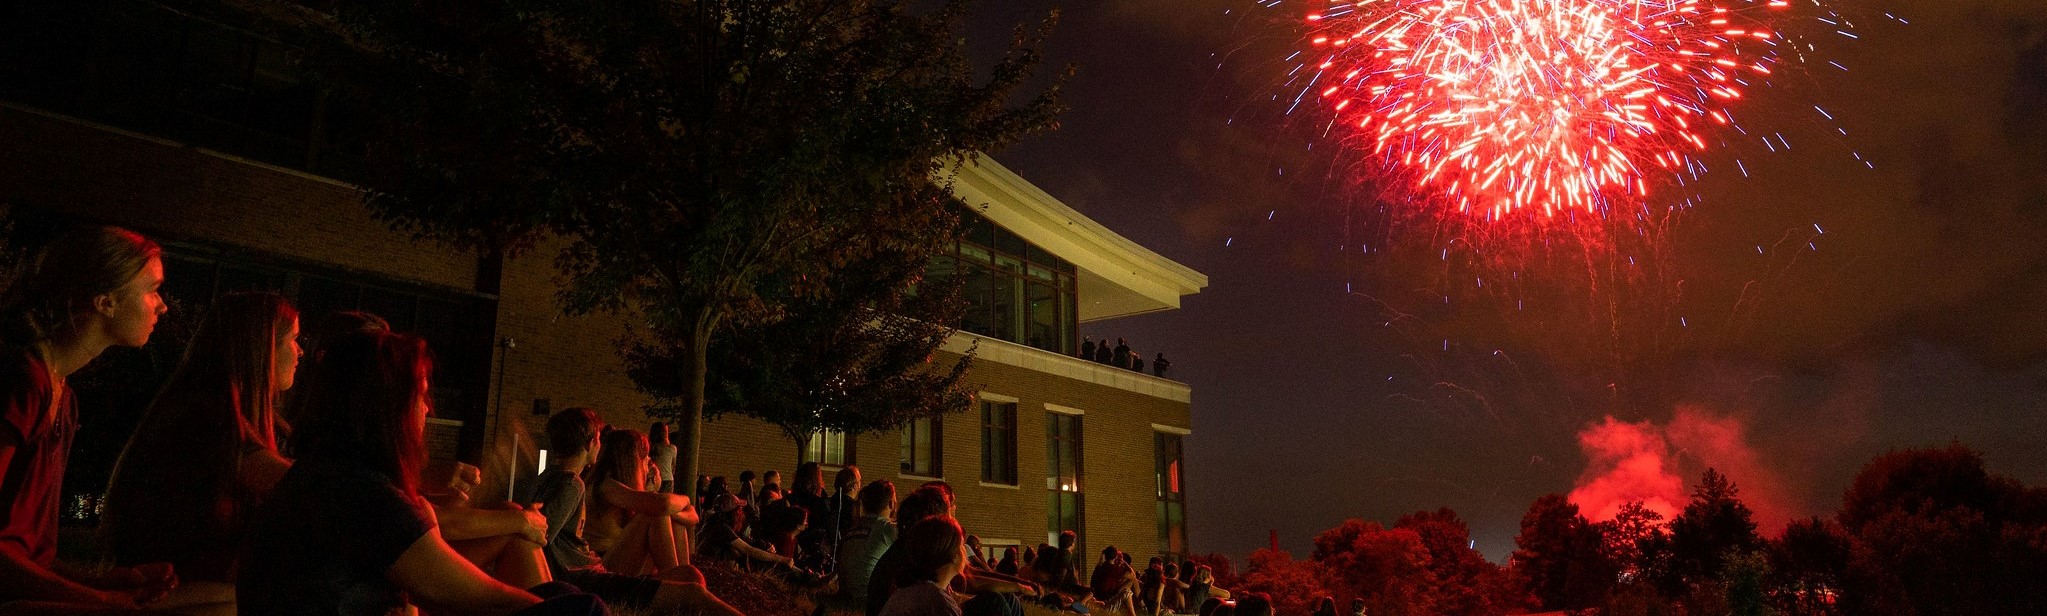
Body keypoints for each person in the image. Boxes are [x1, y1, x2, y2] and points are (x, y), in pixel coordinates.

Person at [239, 330, 604, 615]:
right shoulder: (361, 494)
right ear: (388, 408)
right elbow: (467, 596)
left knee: (564, 597)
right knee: (579, 607)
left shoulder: (326, 476)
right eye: (422, 395)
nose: (428, 410)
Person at [0, 227, 180, 611]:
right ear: (105, 301)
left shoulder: (64, 400)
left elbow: (28, 555)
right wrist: (100, 600)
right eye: (152, 288)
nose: (163, 306)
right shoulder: (22, 383)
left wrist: (99, 582)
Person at [101, 292, 301, 614]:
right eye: (293, 339)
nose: (300, 351)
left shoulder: (206, 408)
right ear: (261, 347)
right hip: (165, 595)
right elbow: (310, 488)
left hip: (192, 592)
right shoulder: (210, 419)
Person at [527, 407, 740, 614]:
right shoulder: (574, 484)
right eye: (644, 458)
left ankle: (674, 584)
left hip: (591, 573)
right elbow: (540, 537)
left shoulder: (546, 479)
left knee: (691, 576)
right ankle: (674, 586)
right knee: (691, 590)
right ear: (592, 443)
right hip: (588, 579)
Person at [581, 428, 697, 576]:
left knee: (668, 518)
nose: (648, 461)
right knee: (655, 515)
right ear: (632, 459)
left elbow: (693, 517)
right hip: (602, 566)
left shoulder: (623, 490)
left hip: (620, 557)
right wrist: (685, 500)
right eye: (645, 456)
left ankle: (679, 577)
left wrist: (671, 511)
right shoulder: (606, 485)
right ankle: (675, 580)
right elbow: (663, 505)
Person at [876, 515, 970, 616]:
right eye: (961, 545)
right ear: (954, 555)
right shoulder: (938, 604)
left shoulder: (908, 592)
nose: (965, 551)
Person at [828, 479, 897, 613]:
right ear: (891, 503)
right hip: (870, 602)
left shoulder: (855, 527)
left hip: (847, 600)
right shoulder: (887, 529)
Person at [698, 493, 798, 570]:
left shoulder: (715, 523)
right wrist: (781, 559)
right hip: (712, 568)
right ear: (734, 512)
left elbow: (746, 541)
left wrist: (764, 546)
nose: (742, 513)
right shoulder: (721, 528)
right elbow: (749, 550)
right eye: (740, 509)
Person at [1091, 547, 1137, 616]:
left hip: (1098, 598)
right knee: (1127, 592)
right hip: (1106, 603)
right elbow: (1132, 575)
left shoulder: (1099, 568)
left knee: (1125, 588)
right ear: (1115, 557)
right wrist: (1123, 561)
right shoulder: (1115, 570)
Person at [648, 422, 677, 494]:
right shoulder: (671, 448)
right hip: (665, 478)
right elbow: (673, 466)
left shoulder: (650, 446)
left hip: (654, 478)